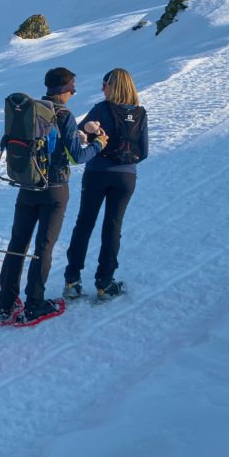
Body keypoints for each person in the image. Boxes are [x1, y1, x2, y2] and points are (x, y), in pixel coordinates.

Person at [0, 67, 108, 326]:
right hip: (55, 189)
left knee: (17, 244)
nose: (73, 93)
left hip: (27, 185)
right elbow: (78, 156)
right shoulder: (64, 114)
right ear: (65, 91)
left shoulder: (31, 110)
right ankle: (35, 304)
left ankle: (5, 303)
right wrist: (99, 144)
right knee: (43, 247)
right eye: (73, 89)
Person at [62, 68, 150, 302]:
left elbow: (78, 134)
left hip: (97, 172)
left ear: (114, 86)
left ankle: (72, 280)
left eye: (105, 84)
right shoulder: (140, 113)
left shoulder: (102, 109)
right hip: (126, 178)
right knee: (113, 227)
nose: (102, 89)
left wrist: (96, 141)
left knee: (85, 223)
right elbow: (144, 152)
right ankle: (105, 282)